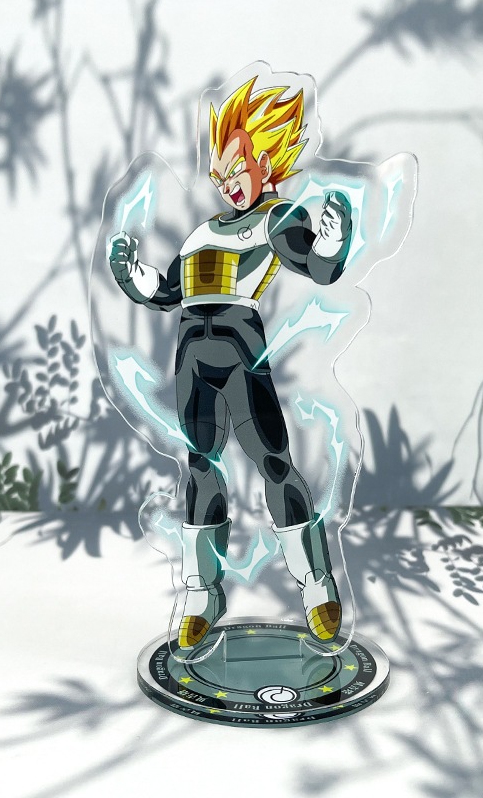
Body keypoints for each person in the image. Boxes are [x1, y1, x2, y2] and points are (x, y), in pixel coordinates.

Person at [109, 77, 353, 649]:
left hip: (241, 351)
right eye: (219, 172)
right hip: (192, 355)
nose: (226, 182)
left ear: (266, 163)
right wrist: (132, 273)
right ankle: (201, 593)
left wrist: (330, 241)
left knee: (273, 463)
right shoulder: (200, 234)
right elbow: (169, 291)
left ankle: (316, 588)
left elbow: (316, 266)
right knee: (200, 466)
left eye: (236, 168)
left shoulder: (274, 219)